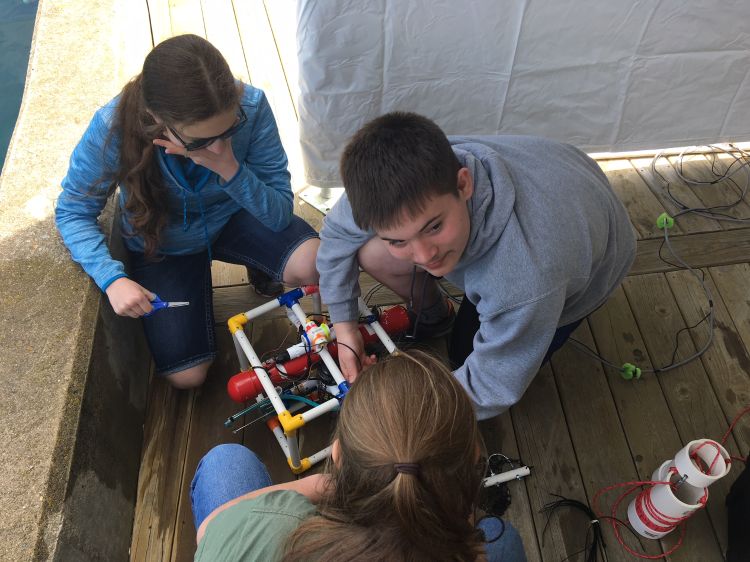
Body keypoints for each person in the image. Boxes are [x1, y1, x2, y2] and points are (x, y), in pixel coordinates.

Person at [316, 112, 636, 419]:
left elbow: (493, 384)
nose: (426, 256)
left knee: (469, 355)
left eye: (433, 227)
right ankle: (436, 311)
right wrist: (345, 329)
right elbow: (337, 234)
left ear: (464, 184)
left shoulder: (525, 279)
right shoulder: (394, 182)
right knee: (374, 254)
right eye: (398, 240)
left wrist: (398, 409)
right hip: (555, 172)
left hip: (593, 256)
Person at [55, 34, 319, 389]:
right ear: (155, 119)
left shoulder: (252, 106)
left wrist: (230, 169)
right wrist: (111, 278)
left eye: (229, 130)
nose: (218, 145)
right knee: (187, 376)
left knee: (314, 262)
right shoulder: (111, 128)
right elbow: (73, 210)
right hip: (163, 243)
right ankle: (206, 285)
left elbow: (278, 214)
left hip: (232, 215)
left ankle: (258, 265)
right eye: (199, 140)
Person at [191, 350, 528, 561]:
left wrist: (326, 483)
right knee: (501, 537)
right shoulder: (465, 549)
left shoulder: (275, 528)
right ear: (475, 456)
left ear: (337, 455)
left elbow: (213, 527)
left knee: (226, 463)